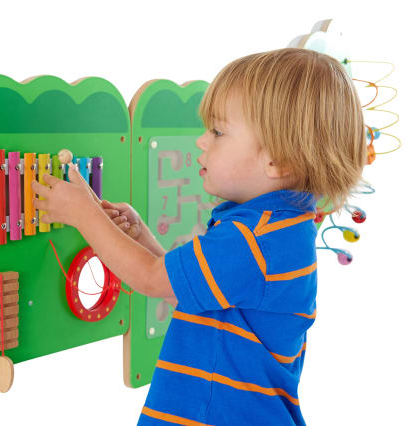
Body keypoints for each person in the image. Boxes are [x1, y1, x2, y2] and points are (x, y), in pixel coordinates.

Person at [32, 47, 366, 425]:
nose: (201, 142)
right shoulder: (277, 228)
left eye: (218, 132)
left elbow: (151, 279)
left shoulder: (254, 238)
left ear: (279, 160)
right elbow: (193, 289)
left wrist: (83, 215)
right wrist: (140, 235)